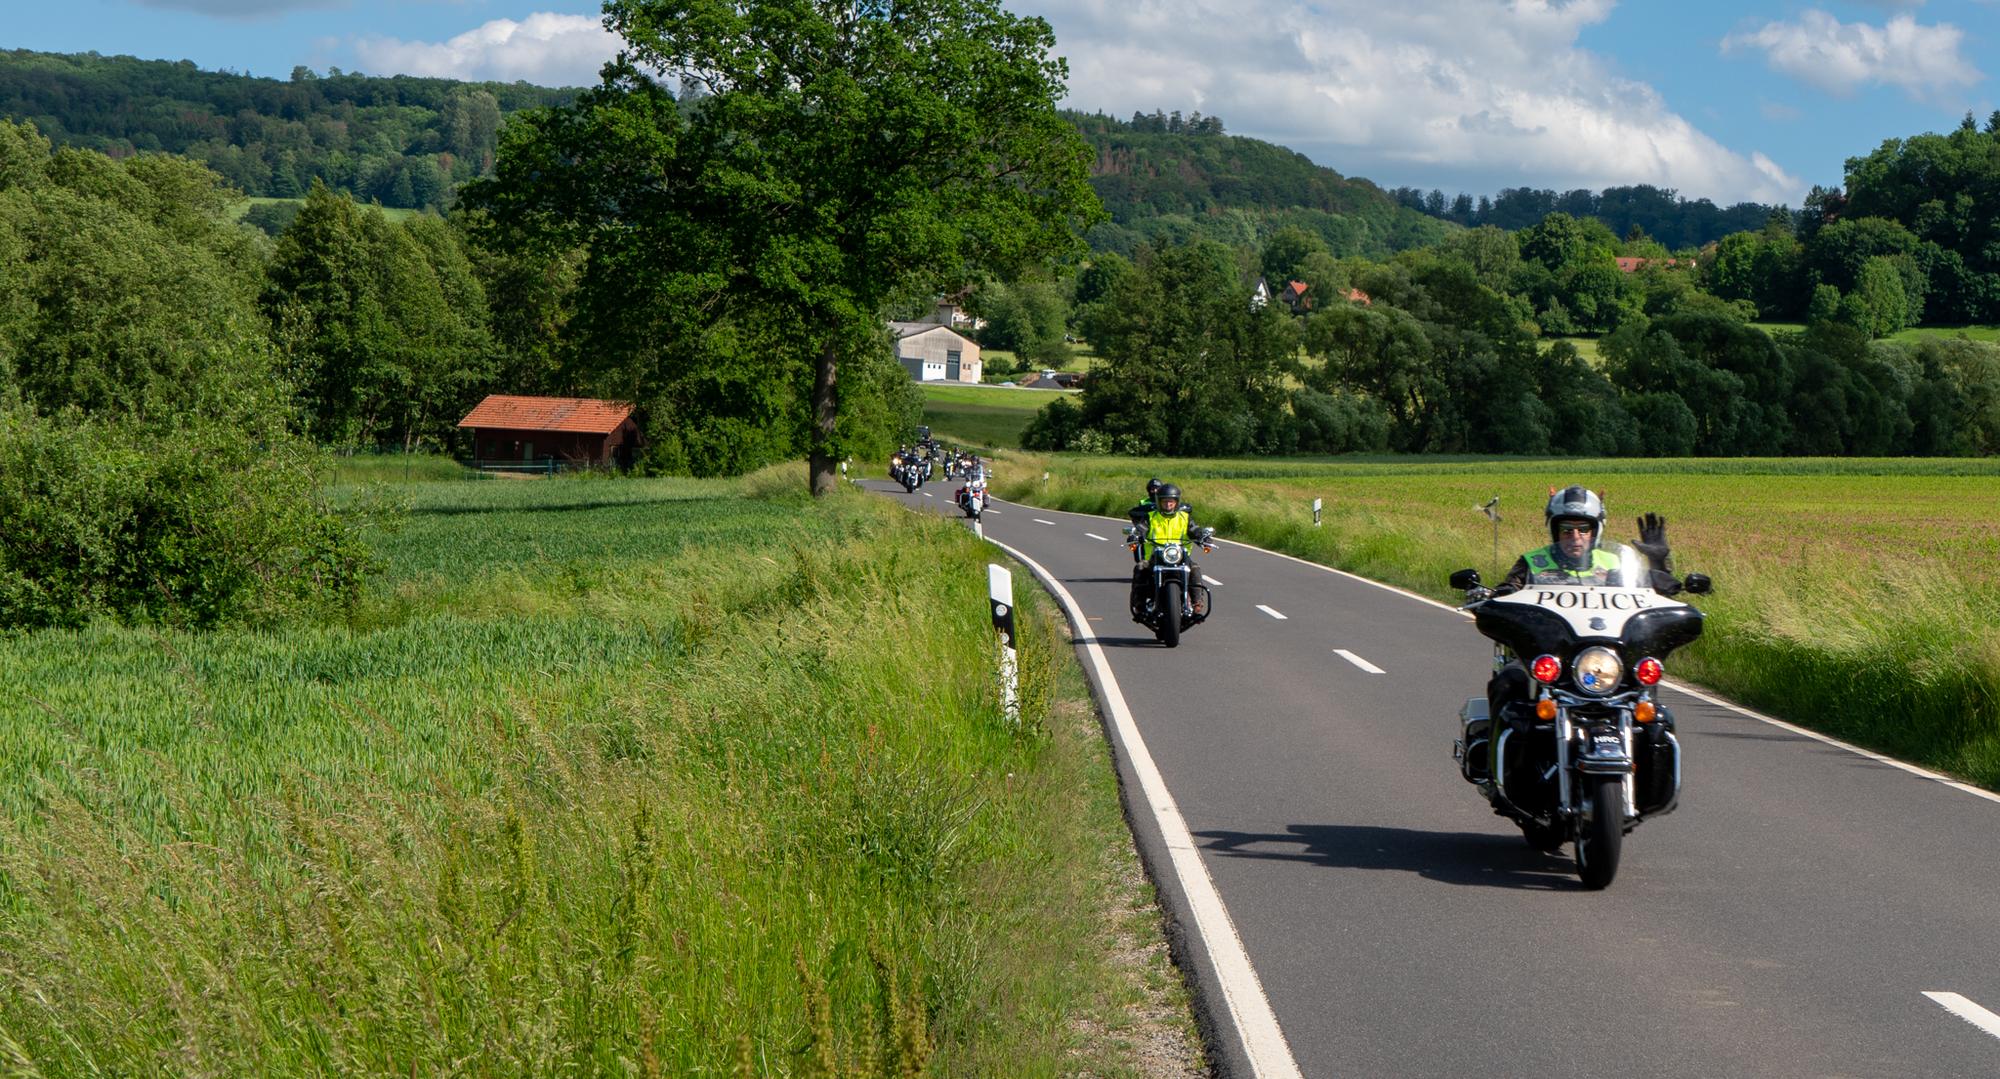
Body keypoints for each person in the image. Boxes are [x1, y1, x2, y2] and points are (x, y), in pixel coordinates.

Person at [1478, 485, 1681, 777]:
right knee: (1509, 680)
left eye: (1583, 529)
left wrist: (1658, 562)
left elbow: (1657, 594)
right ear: (1554, 530)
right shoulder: (1534, 562)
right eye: (1567, 529)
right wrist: (1494, 598)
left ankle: (1649, 772)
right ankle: (1498, 769)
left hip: (1605, 656)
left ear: (1595, 530)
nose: (1575, 537)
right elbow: (1509, 590)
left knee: (1645, 692)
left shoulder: (1614, 563)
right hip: (1550, 655)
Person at [1129, 483, 1206, 617]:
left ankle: (1197, 603)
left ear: (1176, 503)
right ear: (1159, 502)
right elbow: (1142, 528)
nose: (1168, 505)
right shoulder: (1151, 517)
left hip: (1180, 556)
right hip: (1154, 557)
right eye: (1165, 502)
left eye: (1171, 502)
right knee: (1140, 567)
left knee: (1195, 568)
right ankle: (1139, 605)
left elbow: (1194, 530)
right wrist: (1135, 535)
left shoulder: (1184, 518)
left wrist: (1203, 537)